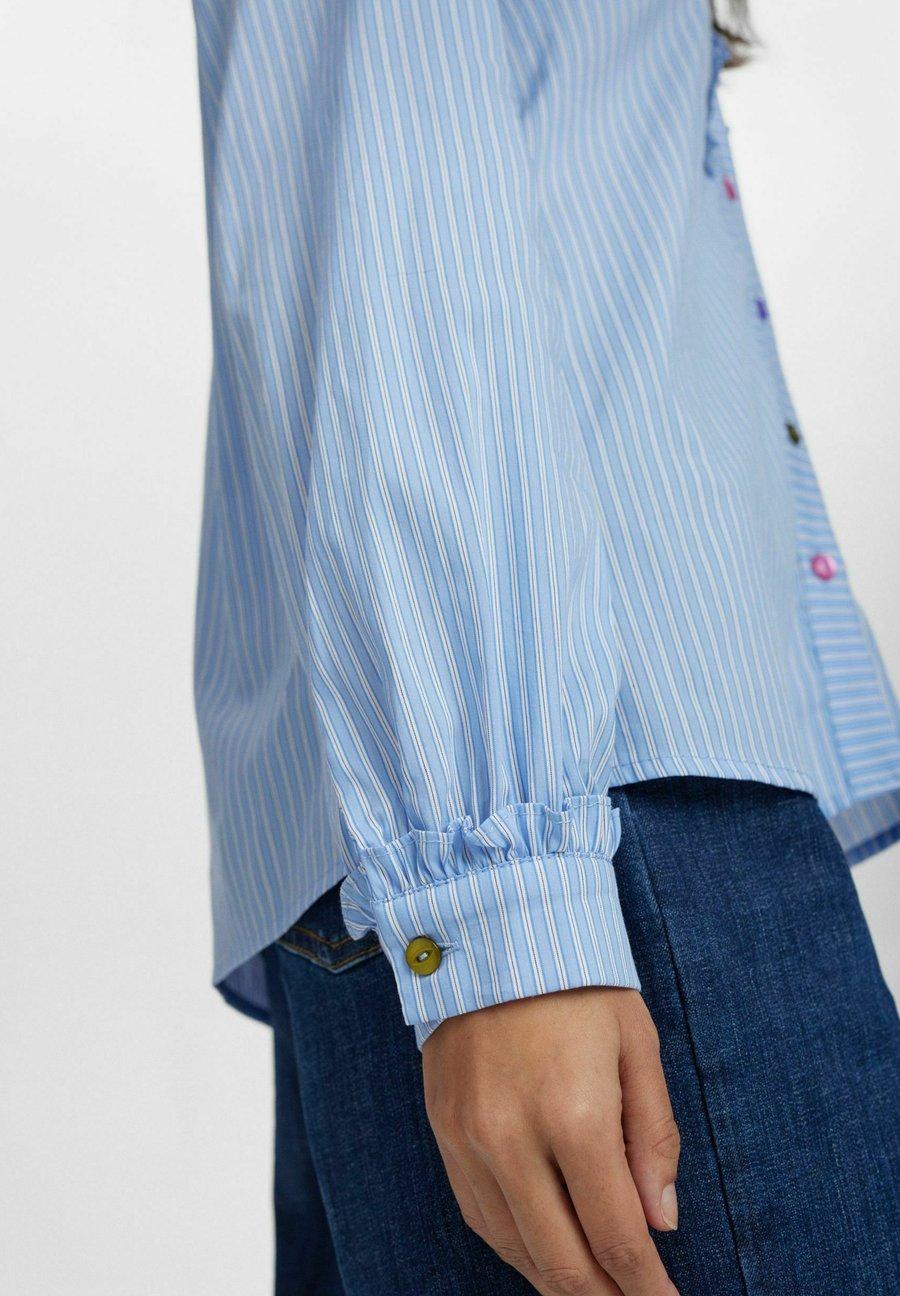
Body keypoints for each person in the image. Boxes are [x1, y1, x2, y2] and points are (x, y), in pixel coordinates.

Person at [191, 2, 900, 1292]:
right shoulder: (519, 853)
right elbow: (400, 232)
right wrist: (498, 901)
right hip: (586, 833)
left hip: (495, 832)